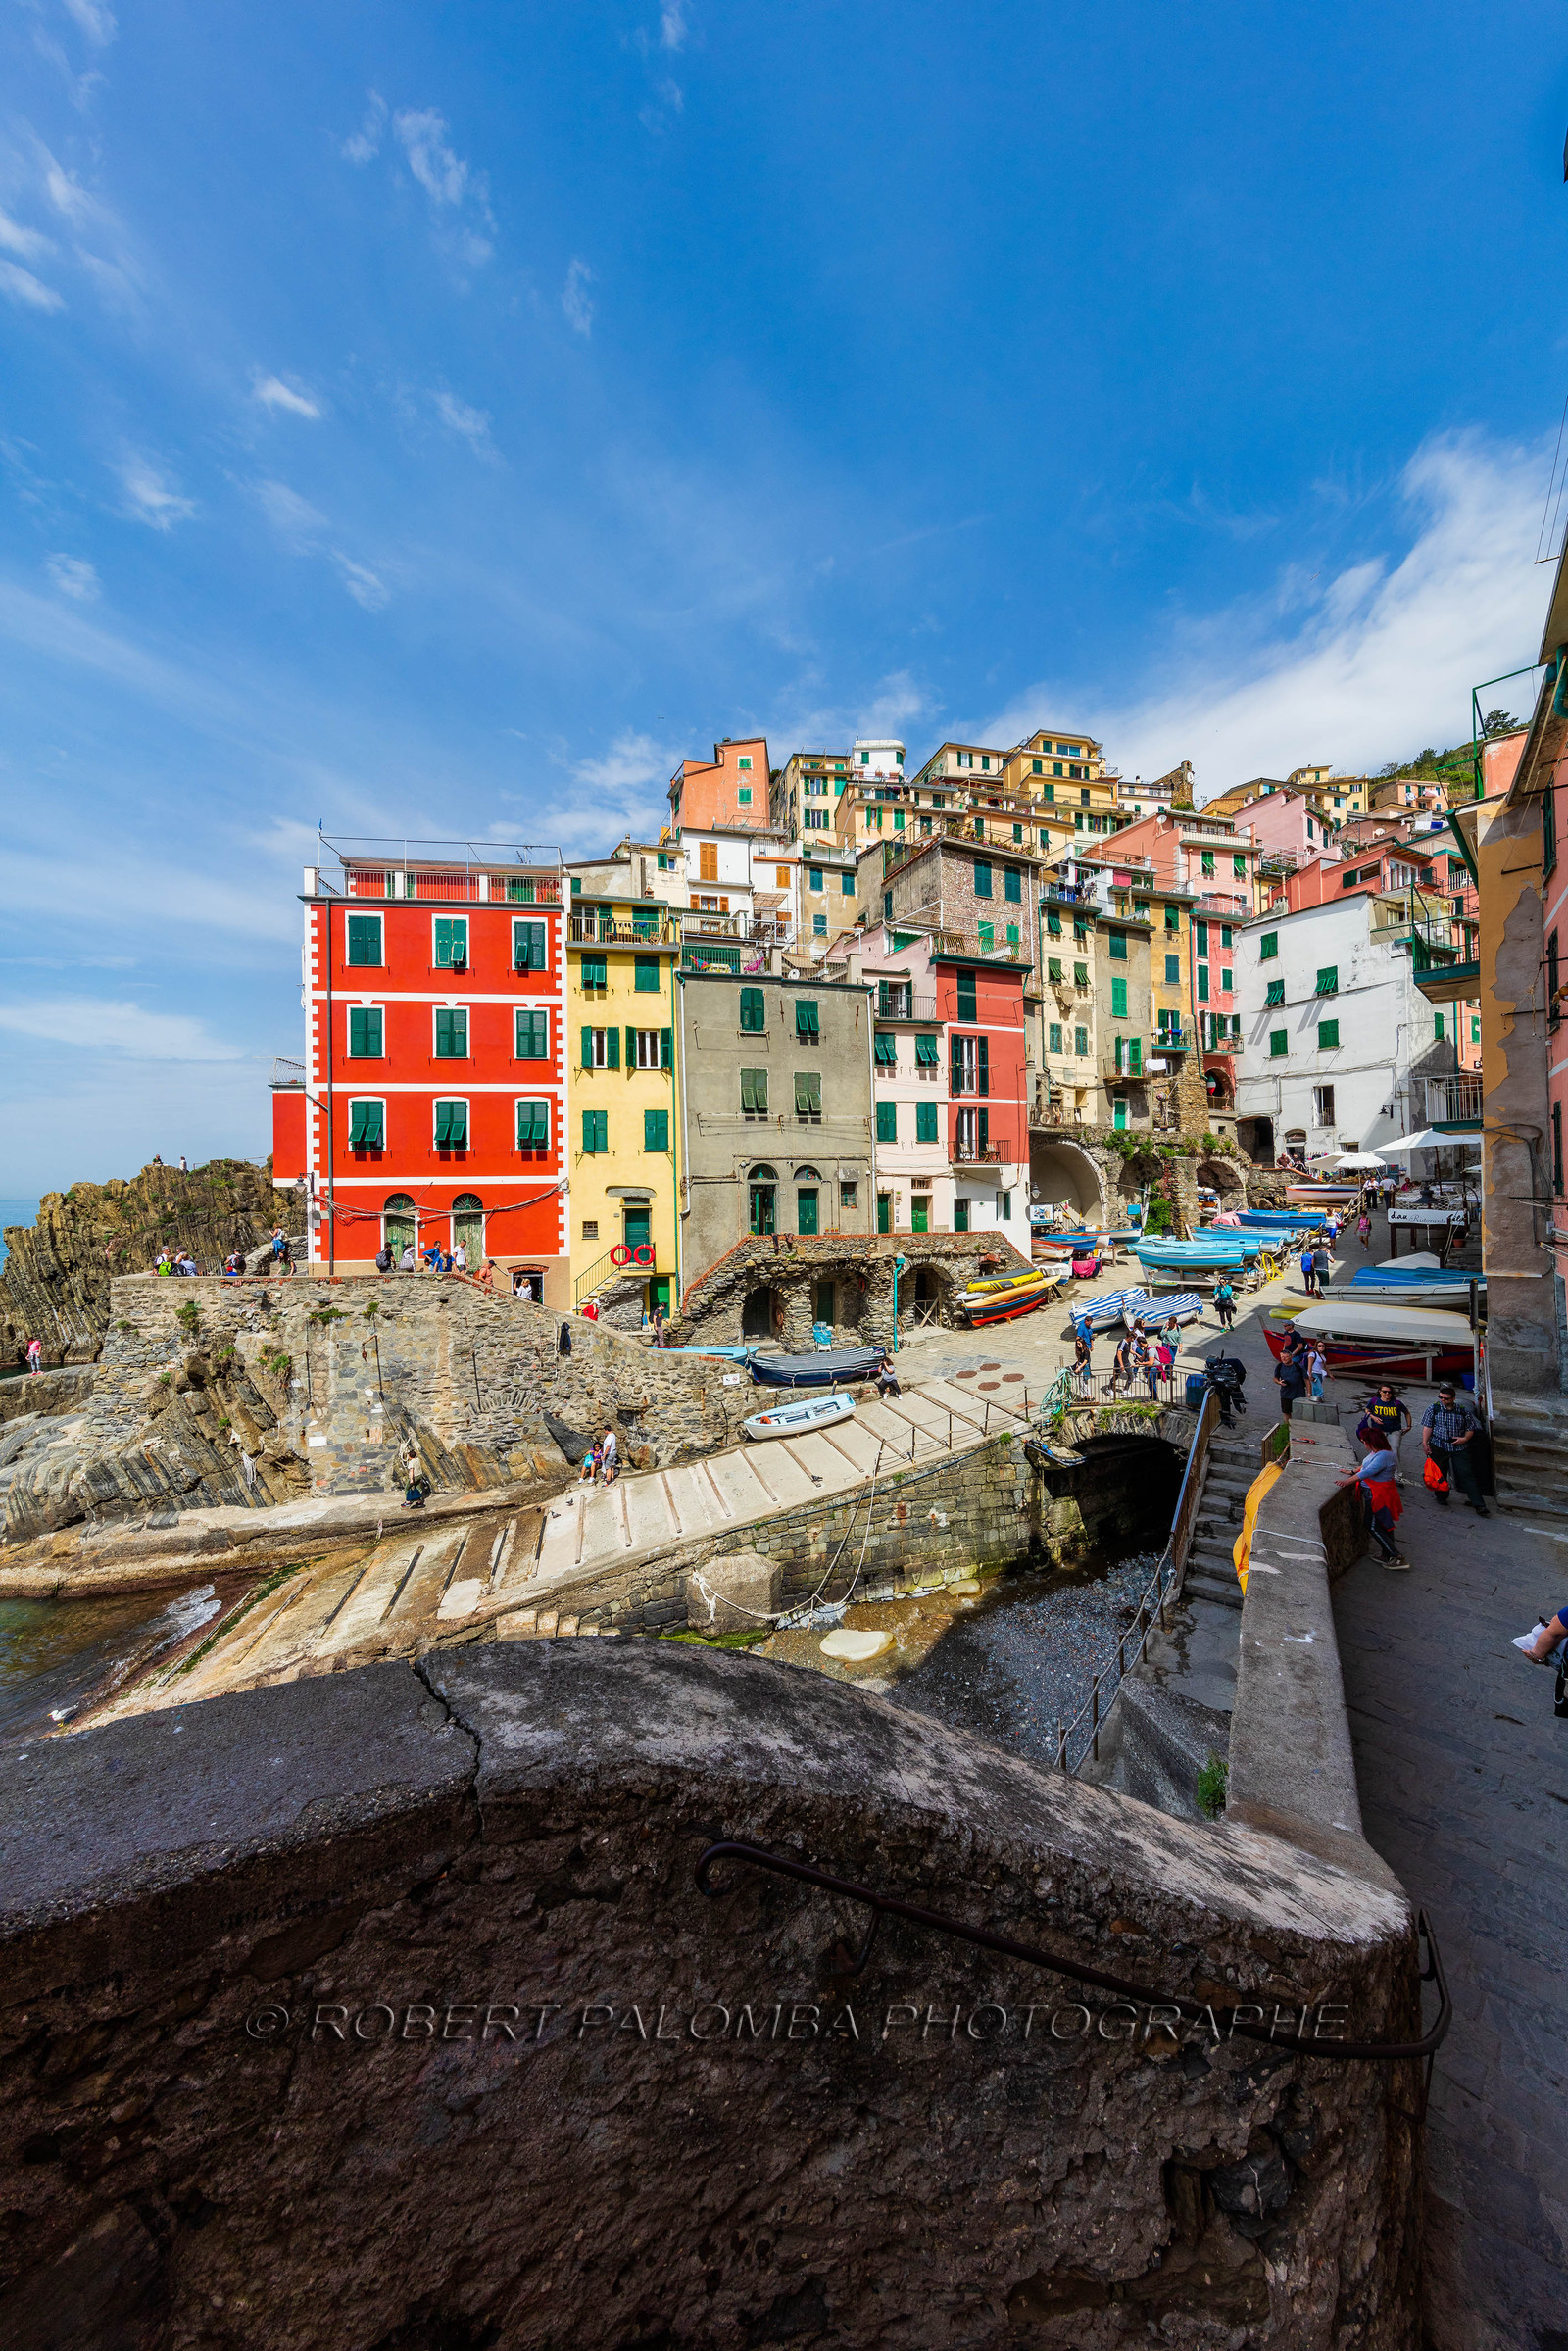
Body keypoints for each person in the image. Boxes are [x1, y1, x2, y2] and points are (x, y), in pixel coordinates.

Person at [1422, 1383, 1490, 1515]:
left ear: (1453, 1398)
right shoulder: (1433, 1409)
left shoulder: (1463, 1411)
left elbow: (1470, 1428)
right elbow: (1427, 1426)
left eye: (1445, 1398)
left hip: (1459, 1447)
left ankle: (1479, 1504)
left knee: (1466, 1474)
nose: (1442, 1400)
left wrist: (1464, 1439)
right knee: (1440, 1473)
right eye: (1440, 1397)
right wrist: (1425, 1443)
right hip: (1439, 1445)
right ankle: (1441, 1496)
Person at [1344, 1443, 1406, 1568]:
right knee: (1384, 1523)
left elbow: (1367, 1472)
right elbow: (1365, 1467)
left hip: (1377, 1495)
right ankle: (1387, 1553)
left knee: (1371, 1525)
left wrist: (1346, 1481)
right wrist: (1351, 1471)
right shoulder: (1379, 1453)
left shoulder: (1383, 1456)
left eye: (1364, 1441)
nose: (1364, 1445)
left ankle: (1395, 1555)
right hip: (1380, 1493)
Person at [1362, 1383, 1411, 1477]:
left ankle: (1397, 1475)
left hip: (1394, 1430)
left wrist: (1409, 1426)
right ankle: (1374, 1469)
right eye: (1384, 1391)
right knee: (1376, 1451)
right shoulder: (1374, 1401)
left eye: (1389, 1392)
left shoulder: (1397, 1403)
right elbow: (1367, 1409)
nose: (1387, 1394)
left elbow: (1407, 1413)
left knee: (1395, 1451)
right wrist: (1373, 1417)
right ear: (1380, 1392)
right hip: (1378, 1431)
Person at [1274, 1342, 1307, 1420]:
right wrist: (1279, 1382)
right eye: (1282, 1357)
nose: (1284, 1359)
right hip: (1285, 1394)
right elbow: (1275, 1378)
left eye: (1285, 1357)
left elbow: (1307, 1379)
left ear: (1291, 1357)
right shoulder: (1279, 1366)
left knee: (1300, 1413)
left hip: (1299, 1394)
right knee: (1286, 1412)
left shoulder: (1298, 1366)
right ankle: (1287, 1428)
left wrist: (1309, 1393)